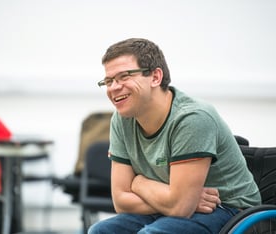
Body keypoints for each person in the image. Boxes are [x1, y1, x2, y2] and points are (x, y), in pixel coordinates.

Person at [88, 38, 261, 234]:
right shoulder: (121, 120)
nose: (113, 87)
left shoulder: (192, 118)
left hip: (228, 209)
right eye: (108, 81)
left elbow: (179, 207)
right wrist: (173, 199)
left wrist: (139, 183)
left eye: (124, 76)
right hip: (170, 207)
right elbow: (121, 200)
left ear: (155, 77)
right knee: (100, 231)